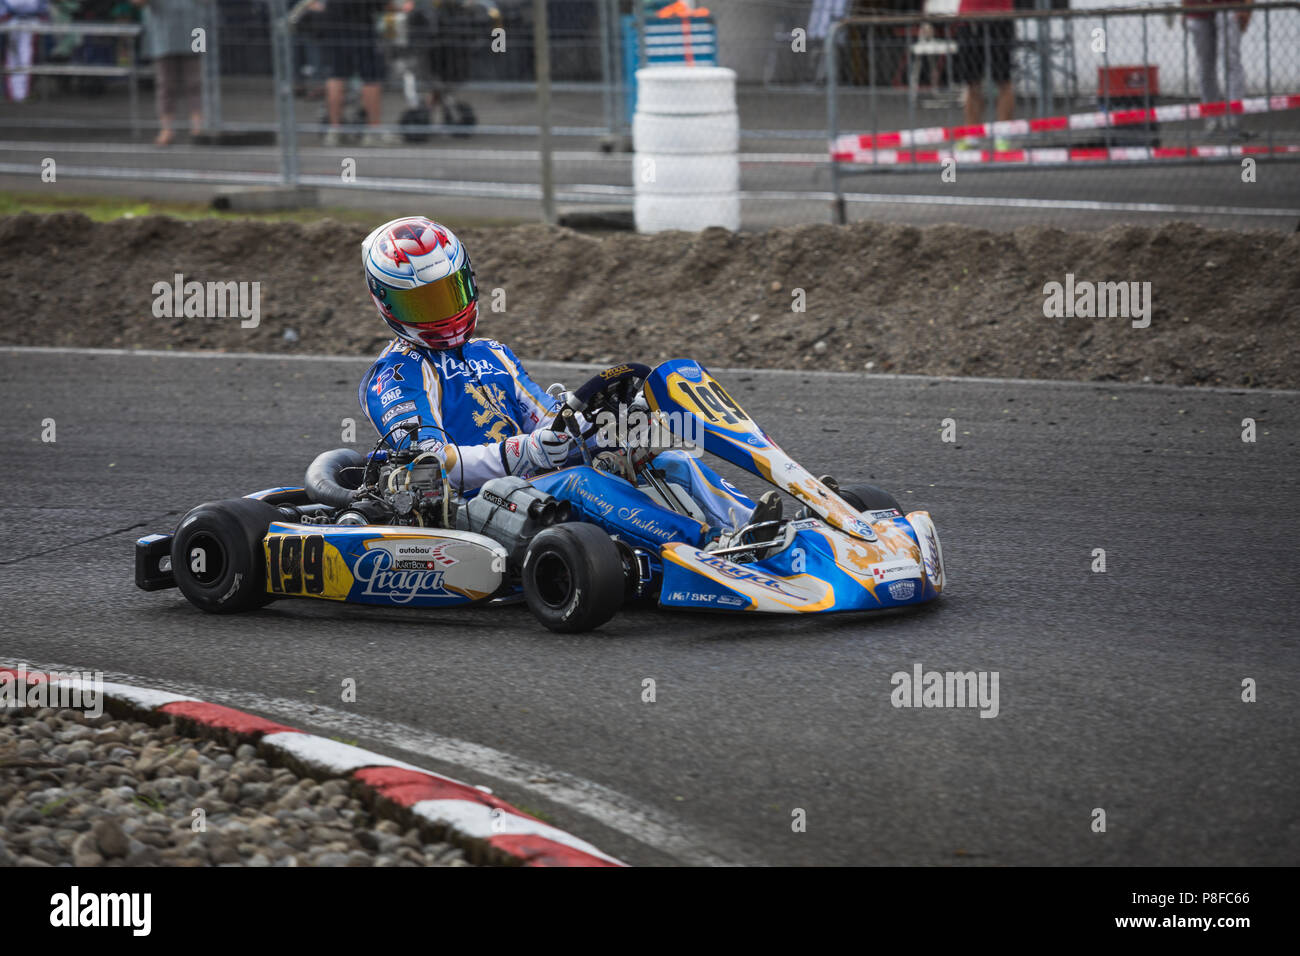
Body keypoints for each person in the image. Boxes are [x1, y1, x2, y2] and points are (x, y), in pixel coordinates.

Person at [356, 216, 777, 542]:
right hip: (471, 507)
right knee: (580, 481)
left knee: (668, 460)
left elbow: (551, 422)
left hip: (531, 486)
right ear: (387, 303)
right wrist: (527, 452)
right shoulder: (397, 374)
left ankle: (763, 532)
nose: (441, 312)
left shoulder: (493, 353)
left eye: (448, 294)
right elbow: (432, 463)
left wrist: (606, 427)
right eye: (422, 302)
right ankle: (709, 546)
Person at [310, 0, 398, 146]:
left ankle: (335, 130)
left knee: (336, 76)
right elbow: (383, 5)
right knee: (371, 77)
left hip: (335, 27)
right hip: (362, 27)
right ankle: (373, 130)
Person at [132, 0, 204, 145]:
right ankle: (167, 129)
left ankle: (199, 127)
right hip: (162, 35)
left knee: (195, 83)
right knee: (165, 85)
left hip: (195, 32)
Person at [953, 0, 1015, 152]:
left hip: (1000, 19)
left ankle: (1003, 136)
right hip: (970, 19)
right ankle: (972, 135)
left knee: (1004, 81)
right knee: (972, 83)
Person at [1186, 0, 1253, 138]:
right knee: (1205, 67)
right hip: (1197, 9)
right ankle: (1212, 119)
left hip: (1229, 6)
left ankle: (1233, 120)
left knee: (1230, 61)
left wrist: (1247, 6)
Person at [2, 0, 48, 103]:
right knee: (13, 58)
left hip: (30, 23)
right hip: (11, 23)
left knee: (26, 57)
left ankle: (21, 94)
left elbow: (42, 9)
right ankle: (14, 94)